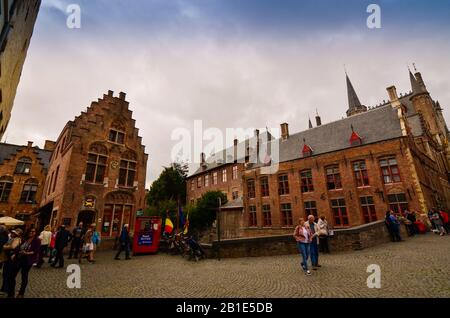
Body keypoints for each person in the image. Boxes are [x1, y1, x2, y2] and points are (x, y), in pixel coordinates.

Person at [9, 228, 41, 298]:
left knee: (24, 276)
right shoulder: (25, 238)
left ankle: (21, 293)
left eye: (33, 231)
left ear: (35, 232)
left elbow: (36, 251)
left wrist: (27, 253)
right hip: (19, 258)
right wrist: (14, 254)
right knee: (12, 276)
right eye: (30, 231)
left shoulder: (37, 240)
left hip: (27, 260)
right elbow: (18, 247)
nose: (31, 232)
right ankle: (11, 293)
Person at [0, 229, 22, 297]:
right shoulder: (12, 238)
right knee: (5, 273)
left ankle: (5, 289)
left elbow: (13, 246)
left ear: (17, 234)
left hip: (11, 260)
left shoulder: (17, 239)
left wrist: (5, 247)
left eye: (13, 233)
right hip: (8, 258)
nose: (12, 233)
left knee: (7, 274)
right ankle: (3, 288)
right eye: (12, 232)